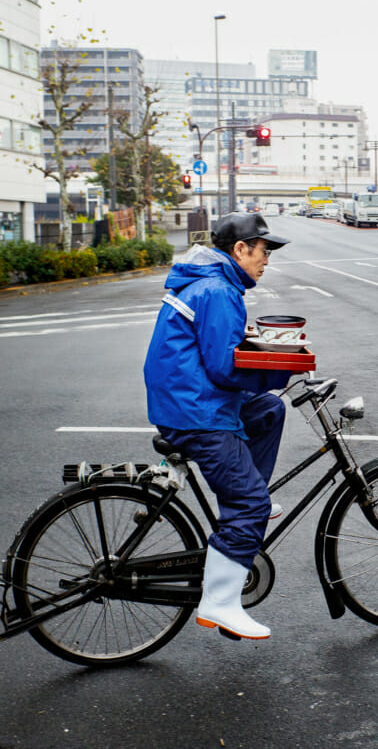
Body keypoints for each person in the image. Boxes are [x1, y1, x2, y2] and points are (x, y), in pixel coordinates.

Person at [143, 212, 292, 640]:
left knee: (268, 411)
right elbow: (226, 367)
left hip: (186, 397)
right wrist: (278, 370)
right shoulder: (218, 290)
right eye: (264, 251)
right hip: (196, 411)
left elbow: (220, 353)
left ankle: (249, 496)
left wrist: (269, 363)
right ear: (240, 249)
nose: (267, 260)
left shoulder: (211, 280)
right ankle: (220, 603)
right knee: (249, 507)